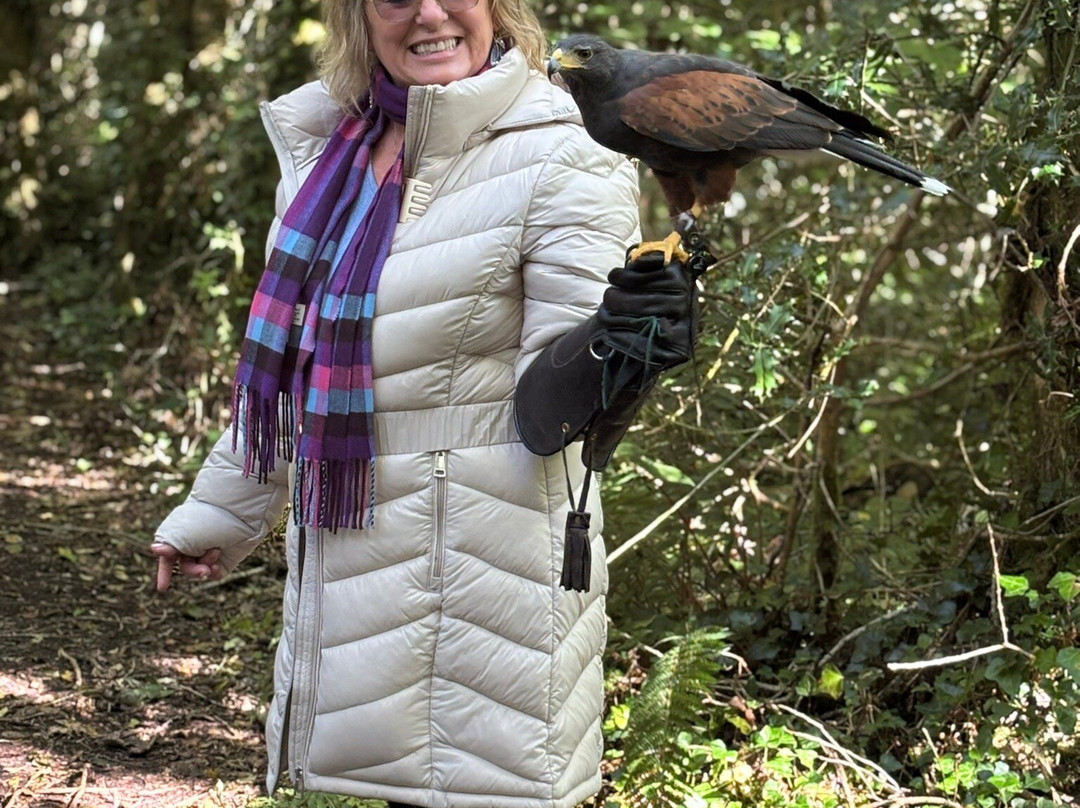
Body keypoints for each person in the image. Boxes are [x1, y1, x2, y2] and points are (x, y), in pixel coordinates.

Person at [151, 0, 702, 805]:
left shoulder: (562, 150)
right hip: (359, 564)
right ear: (359, 15)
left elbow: (560, 401)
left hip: (488, 575)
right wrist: (220, 516)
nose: (429, 15)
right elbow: (294, 374)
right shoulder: (329, 148)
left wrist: (626, 342)